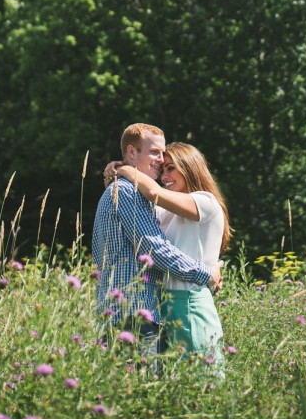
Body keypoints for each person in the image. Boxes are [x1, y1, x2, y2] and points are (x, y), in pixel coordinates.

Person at [91, 123, 222, 357]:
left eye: (168, 162)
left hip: (133, 312)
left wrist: (123, 169)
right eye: (155, 153)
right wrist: (206, 273)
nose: (161, 162)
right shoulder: (130, 192)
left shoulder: (198, 201)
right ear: (132, 153)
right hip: (134, 315)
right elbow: (155, 249)